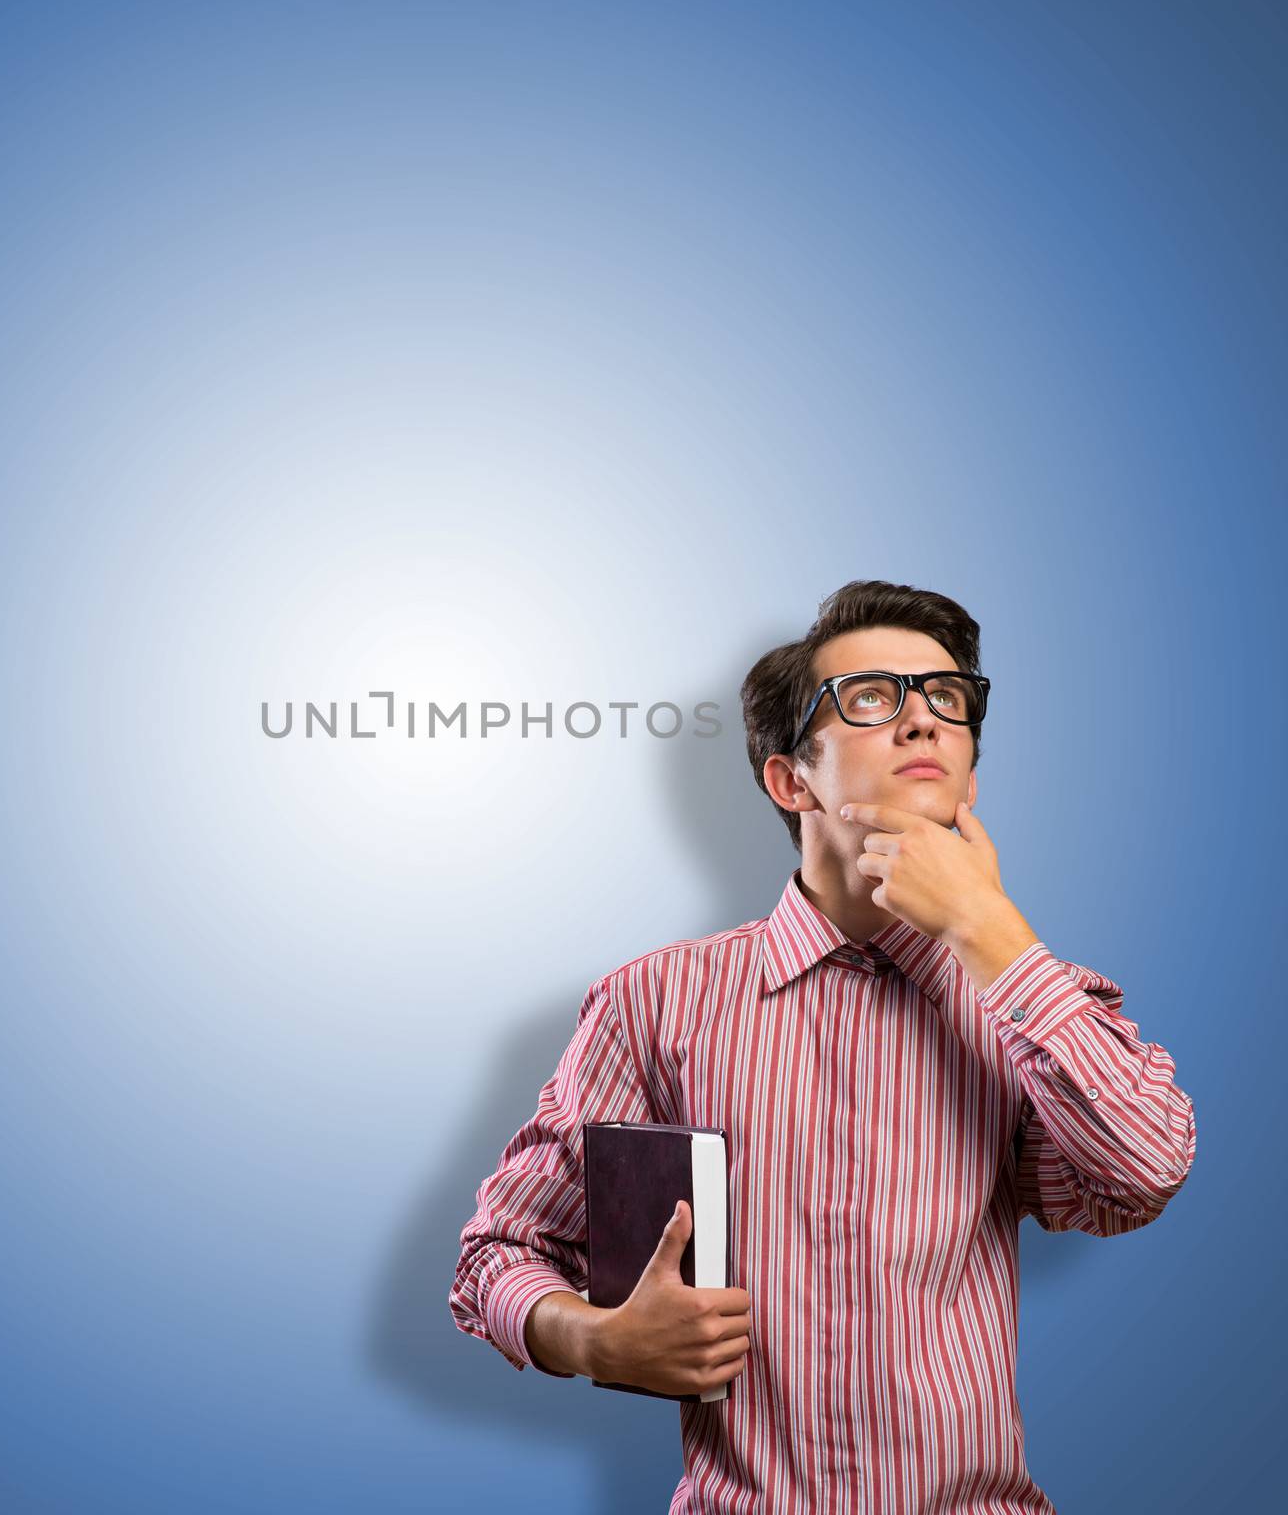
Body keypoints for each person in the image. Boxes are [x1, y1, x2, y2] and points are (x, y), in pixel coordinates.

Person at [448, 579, 1196, 1515]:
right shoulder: (657, 1002)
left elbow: (1146, 1172)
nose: (924, 719)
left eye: (948, 700)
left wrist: (990, 933)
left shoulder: (1022, 1004)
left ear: (969, 774)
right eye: (873, 698)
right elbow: (499, 1253)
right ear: (790, 779)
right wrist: (595, 1341)